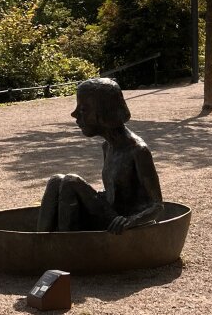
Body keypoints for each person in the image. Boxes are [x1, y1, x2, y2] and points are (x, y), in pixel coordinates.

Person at [38, 78, 164, 233]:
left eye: (83, 110)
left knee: (71, 181)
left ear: (103, 112)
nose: (74, 114)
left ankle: (66, 244)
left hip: (120, 221)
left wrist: (130, 221)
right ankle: (40, 239)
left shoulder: (138, 151)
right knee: (56, 180)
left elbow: (157, 206)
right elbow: (113, 194)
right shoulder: (107, 147)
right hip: (110, 213)